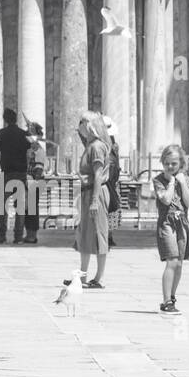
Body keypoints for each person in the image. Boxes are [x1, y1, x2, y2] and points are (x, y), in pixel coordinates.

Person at [153, 145, 189, 314]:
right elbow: (166, 200)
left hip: (182, 224)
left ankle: (172, 295)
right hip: (166, 224)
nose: (170, 167)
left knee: (179, 264)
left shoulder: (186, 180)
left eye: (174, 164)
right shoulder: (158, 180)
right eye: (167, 163)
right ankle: (166, 300)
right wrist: (171, 183)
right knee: (172, 261)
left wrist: (182, 183)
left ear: (181, 163)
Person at [76, 111, 111, 289]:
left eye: (81, 122)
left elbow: (98, 175)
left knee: (98, 233)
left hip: (94, 193)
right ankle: (82, 276)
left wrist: (95, 200)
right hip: (87, 193)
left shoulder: (97, 147)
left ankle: (99, 277)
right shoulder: (91, 145)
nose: (79, 125)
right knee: (85, 234)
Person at [0, 107, 31, 244]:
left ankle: (1, 234)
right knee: (20, 206)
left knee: (3, 205)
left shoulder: (3, 133)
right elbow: (31, 149)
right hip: (21, 173)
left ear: (5, 120)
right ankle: (18, 236)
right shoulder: (23, 134)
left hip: (7, 173)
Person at [22, 121, 46, 243]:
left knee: (32, 209)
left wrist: (32, 183)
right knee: (27, 209)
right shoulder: (30, 149)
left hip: (33, 182)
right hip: (27, 181)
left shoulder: (39, 151)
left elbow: (38, 170)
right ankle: (29, 233)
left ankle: (32, 234)